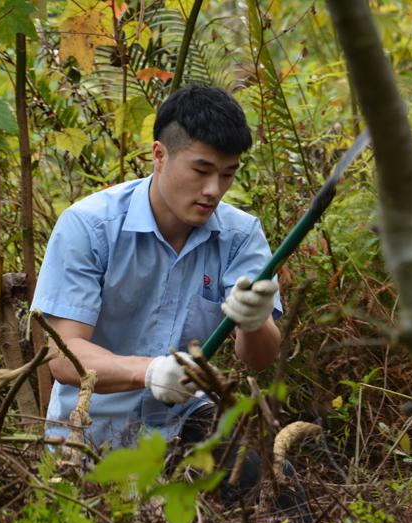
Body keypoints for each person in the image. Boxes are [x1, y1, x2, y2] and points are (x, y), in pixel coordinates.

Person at [31, 85, 283, 449]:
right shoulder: (90, 227)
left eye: (227, 174)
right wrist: (147, 372)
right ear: (159, 155)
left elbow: (259, 358)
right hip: (89, 433)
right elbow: (63, 357)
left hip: (184, 423)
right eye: (201, 170)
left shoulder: (240, 237)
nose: (213, 190)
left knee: (274, 488)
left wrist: (255, 321)